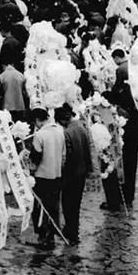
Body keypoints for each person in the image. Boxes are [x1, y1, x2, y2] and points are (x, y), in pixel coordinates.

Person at [29, 108, 66, 249]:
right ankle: (51, 236)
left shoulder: (40, 135)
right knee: (53, 207)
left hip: (42, 176)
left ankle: (42, 237)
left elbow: (36, 158)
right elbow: (63, 154)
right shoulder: (60, 131)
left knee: (39, 208)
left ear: (38, 120)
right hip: (57, 175)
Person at [56, 105, 92, 245]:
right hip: (81, 172)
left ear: (63, 120)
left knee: (67, 203)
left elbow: (66, 157)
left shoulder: (67, 133)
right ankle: (74, 230)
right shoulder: (82, 128)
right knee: (76, 203)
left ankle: (70, 230)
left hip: (70, 173)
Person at [111, 48, 138, 208]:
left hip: (127, 124)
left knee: (122, 159)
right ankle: (128, 194)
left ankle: (122, 194)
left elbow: (115, 95)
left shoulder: (122, 71)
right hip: (137, 124)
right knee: (132, 160)